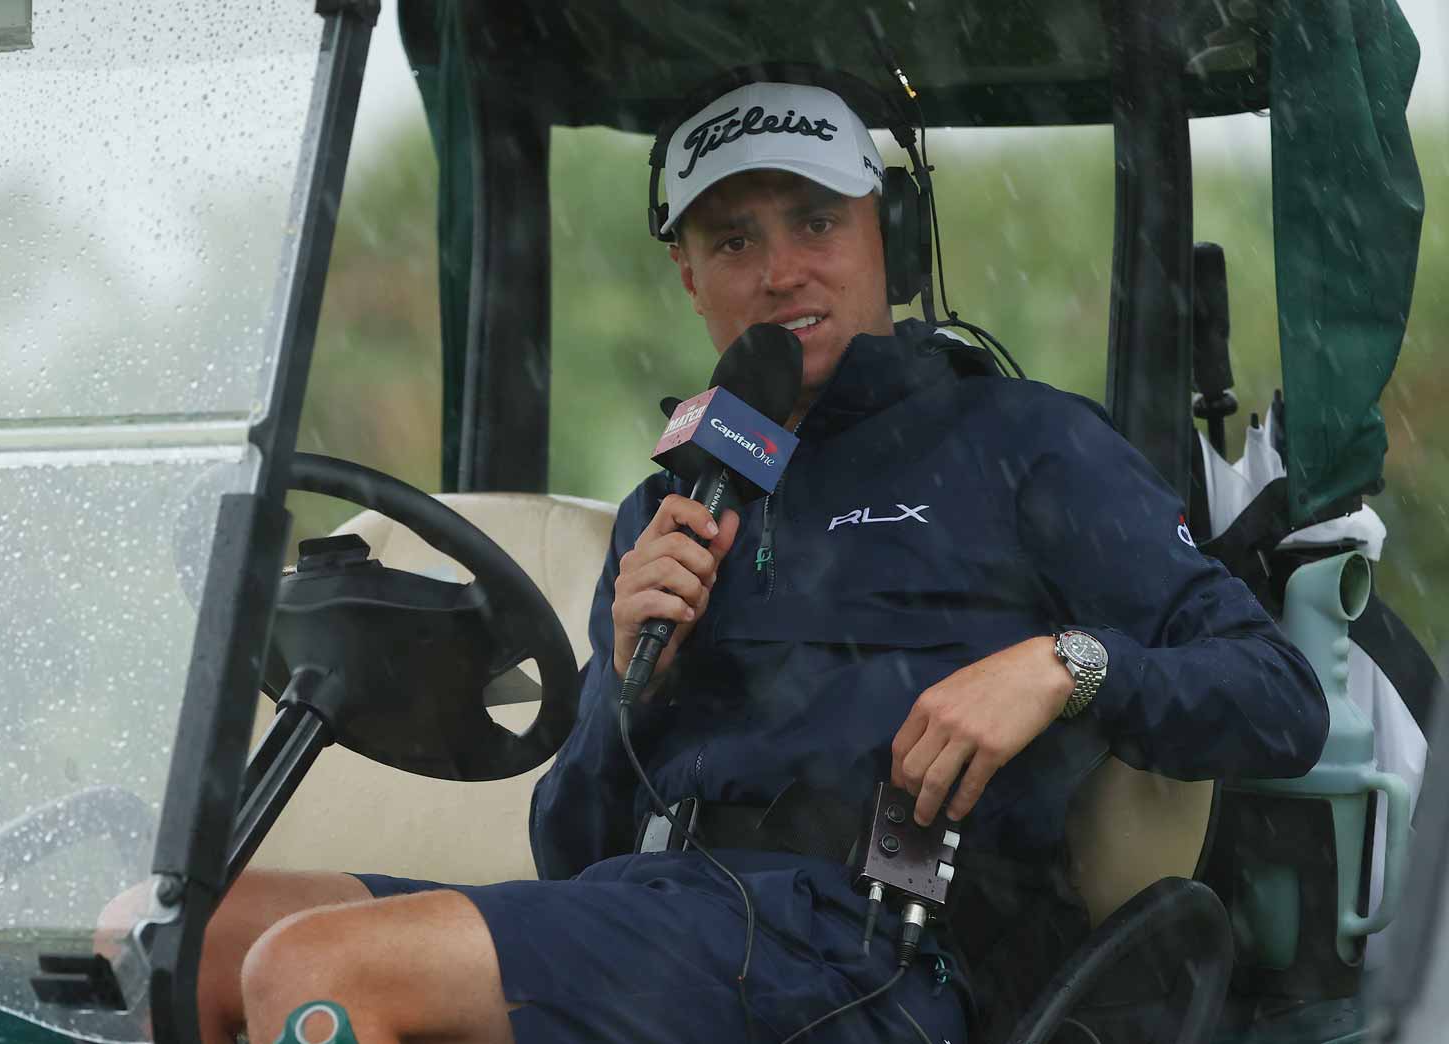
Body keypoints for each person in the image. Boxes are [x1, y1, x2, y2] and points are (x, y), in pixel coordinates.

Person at [103, 76, 1329, 1044]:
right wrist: (631, 681)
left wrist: (1065, 665)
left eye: (814, 222)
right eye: (733, 239)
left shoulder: (1024, 444)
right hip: (661, 922)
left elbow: (1276, 703)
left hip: (875, 950)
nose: (780, 269)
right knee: (173, 938)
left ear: (882, 235)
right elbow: (573, 851)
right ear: (687, 275)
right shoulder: (675, 502)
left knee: (312, 968)